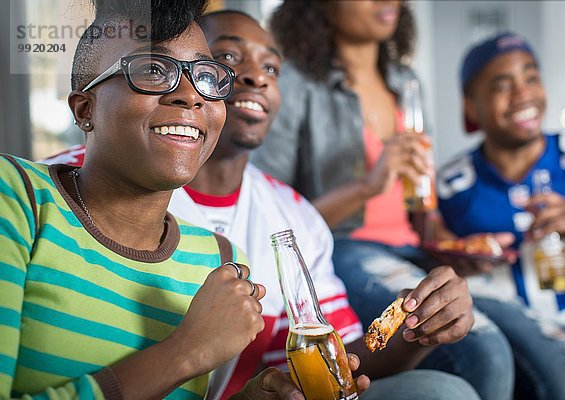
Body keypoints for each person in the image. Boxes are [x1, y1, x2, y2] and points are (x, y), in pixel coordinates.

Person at [41, 10, 480, 400]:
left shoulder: (285, 218)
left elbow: (332, 357)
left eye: (272, 66)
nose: (257, 76)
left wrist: (416, 326)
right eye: (227, 61)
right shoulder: (64, 192)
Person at [0, 1, 371, 398]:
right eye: (153, 71)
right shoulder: (17, 196)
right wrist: (185, 352)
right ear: (85, 108)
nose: (191, 96)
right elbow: (184, 359)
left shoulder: (222, 259)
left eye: (206, 76)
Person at [250, 1, 513, 399]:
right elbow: (275, 217)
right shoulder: (295, 84)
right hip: (349, 249)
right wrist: (368, 186)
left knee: (553, 352)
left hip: (412, 249)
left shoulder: (406, 82)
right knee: (486, 349)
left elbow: (421, 203)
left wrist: (454, 244)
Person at [436, 31, 565, 400]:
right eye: (501, 85)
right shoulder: (452, 187)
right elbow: (438, 256)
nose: (524, 94)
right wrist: (457, 256)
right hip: (515, 357)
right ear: (471, 106)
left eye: (531, 77)